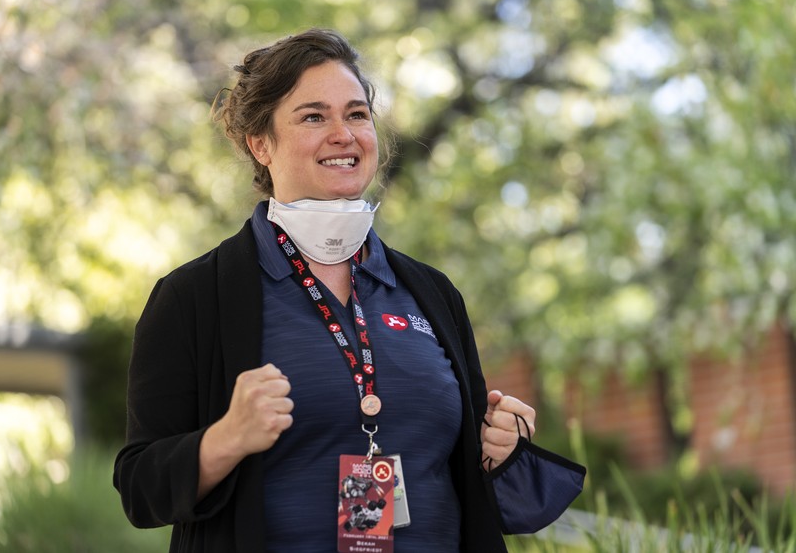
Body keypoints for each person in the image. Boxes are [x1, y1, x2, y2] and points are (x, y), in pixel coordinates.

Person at [113, 28, 539, 552]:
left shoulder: (433, 293)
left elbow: (469, 483)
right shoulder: (194, 297)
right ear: (260, 143)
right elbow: (140, 490)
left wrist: (499, 450)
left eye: (356, 114)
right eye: (314, 116)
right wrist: (225, 439)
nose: (343, 133)